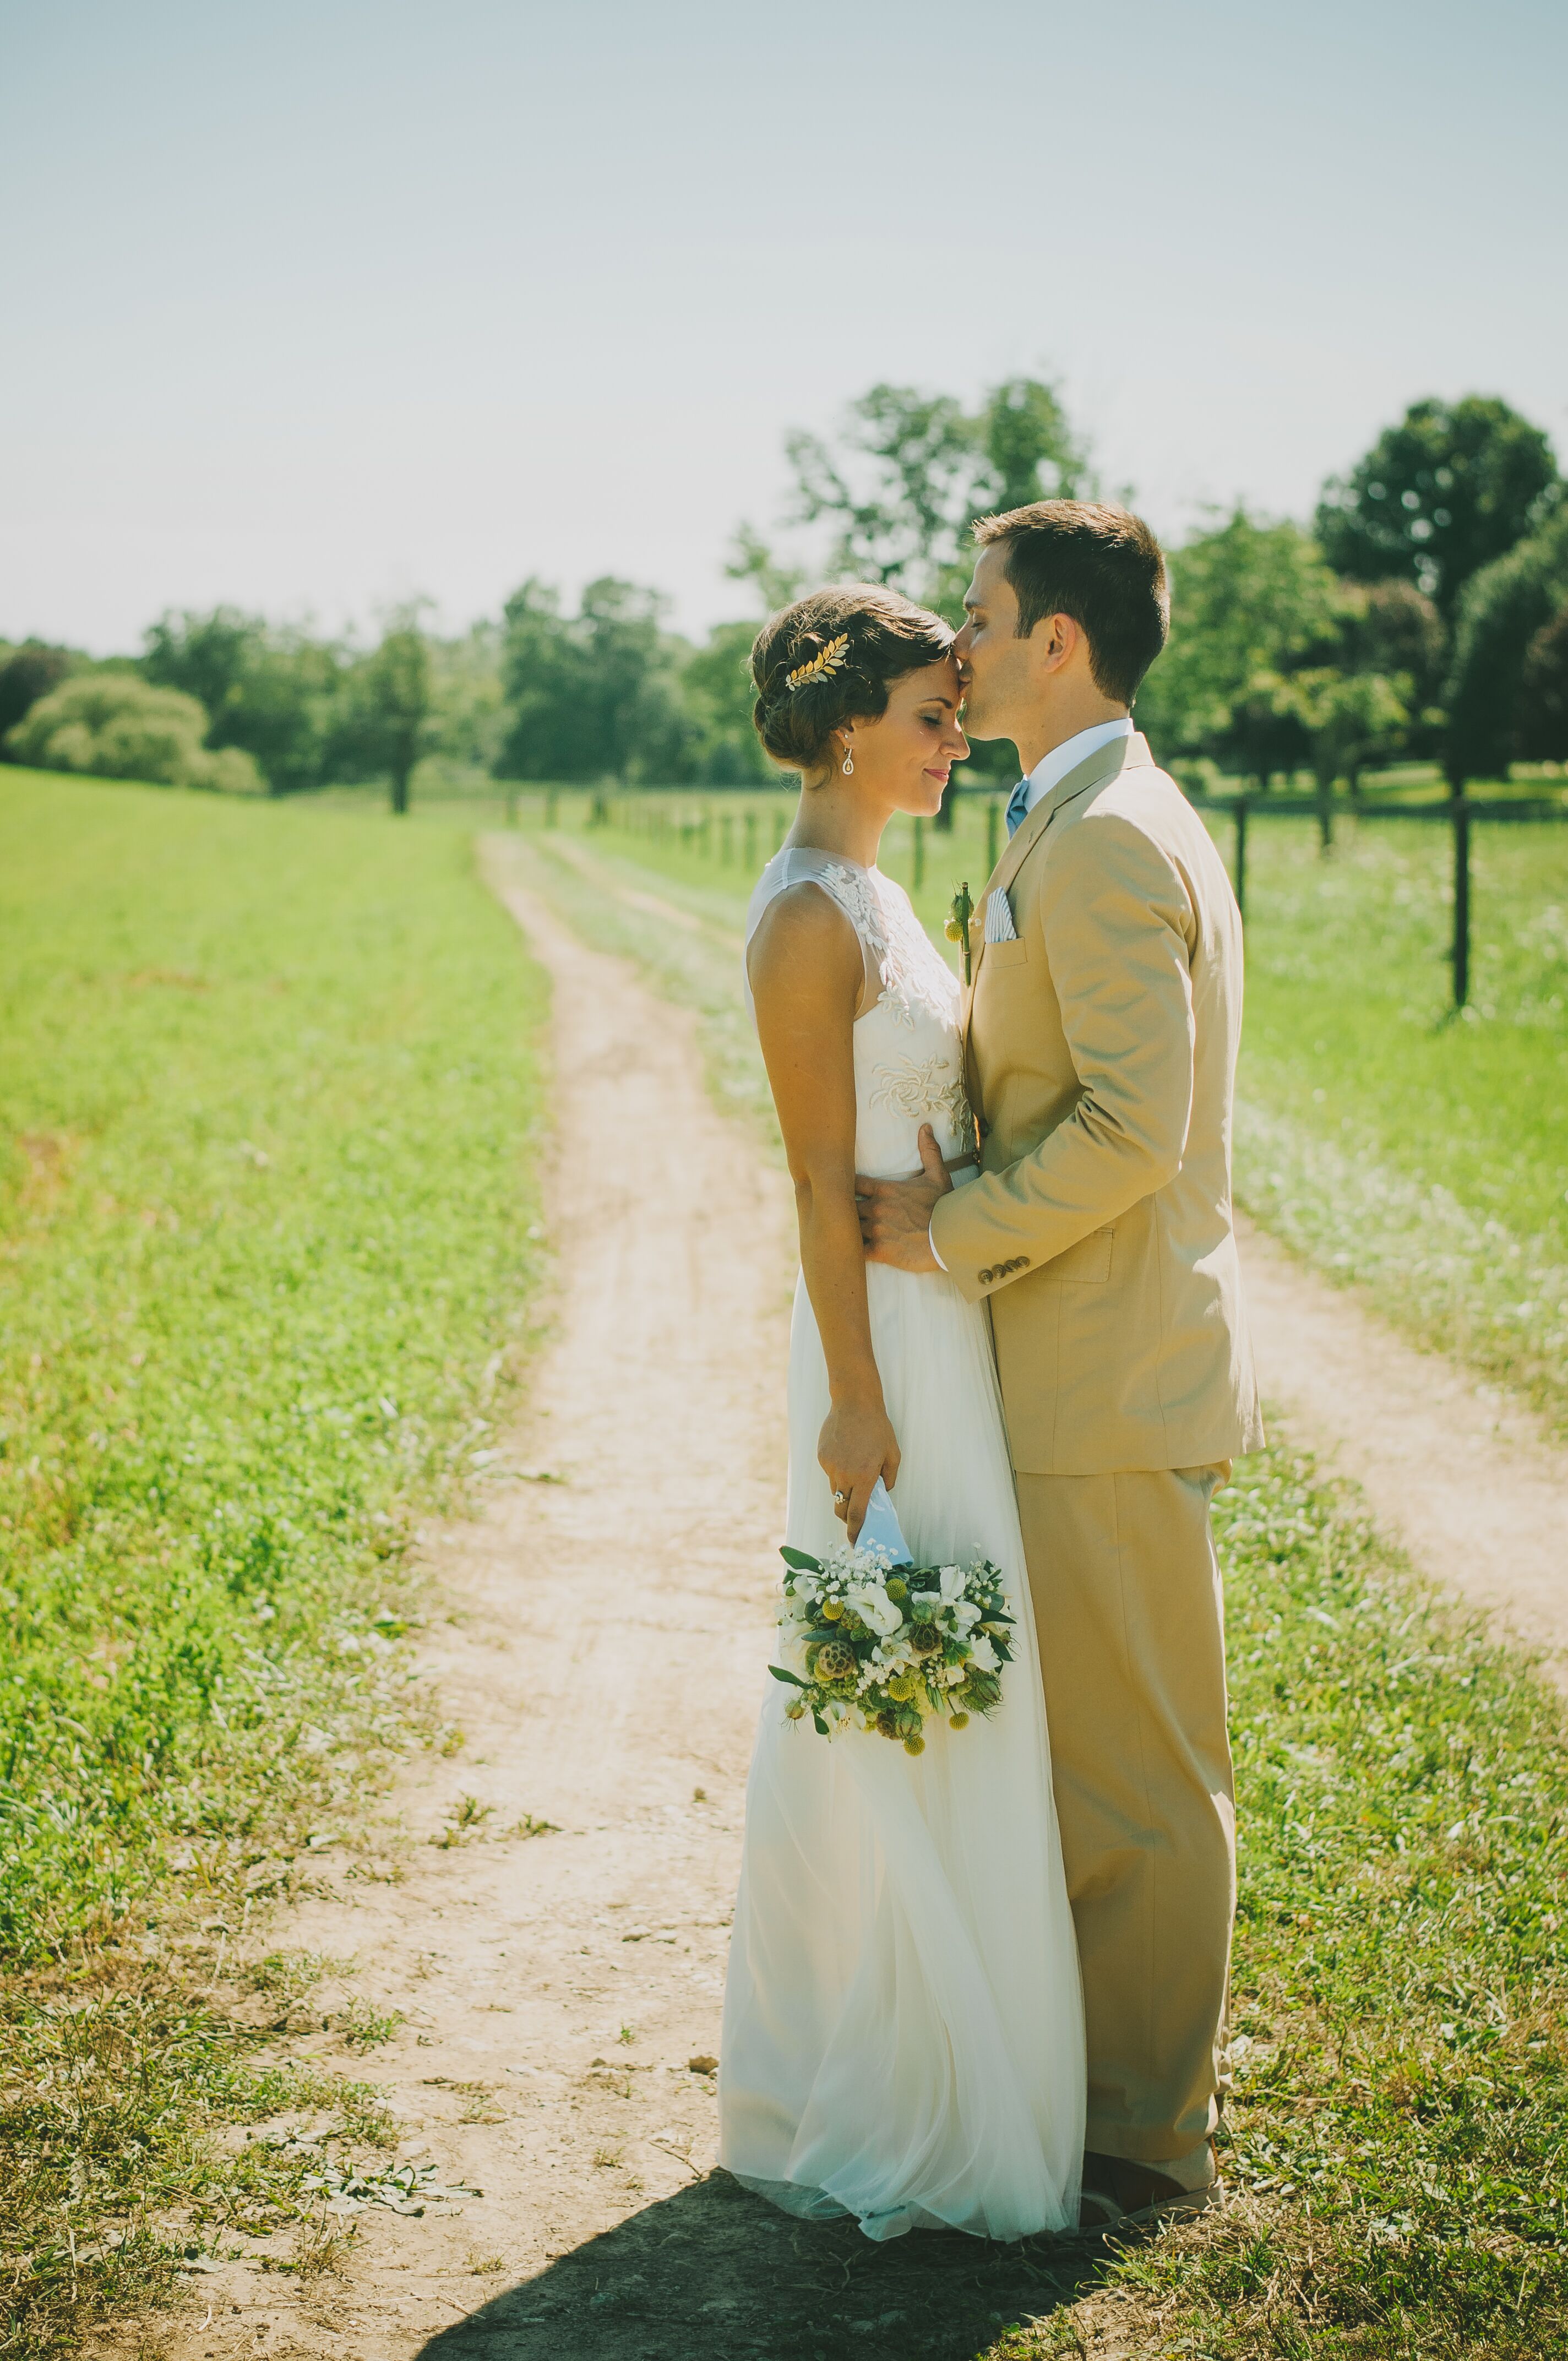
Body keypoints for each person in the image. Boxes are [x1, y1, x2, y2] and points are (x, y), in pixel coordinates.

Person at [857, 502, 1264, 2226]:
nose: (959, 640)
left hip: (1107, 1374)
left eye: (982, 612)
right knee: (1093, 1759)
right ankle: (1098, 2095)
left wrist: (950, 1236)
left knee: (1141, 1783)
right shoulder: (1071, 812)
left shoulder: (1103, 837)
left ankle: (1147, 2147)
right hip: (1073, 1367)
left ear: (1058, 645)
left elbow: (1133, 1130)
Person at [717, 585, 1086, 2242]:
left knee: (957, 1665)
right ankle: (897, 2075)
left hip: (942, 1318)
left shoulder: (874, 889)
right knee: (902, 1677)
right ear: (848, 723)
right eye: (935, 715)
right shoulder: (808, 917)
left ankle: (966, 2045)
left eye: (958, 710)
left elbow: (909, 1107)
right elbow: (810, 1179)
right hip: (882, 1357)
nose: (959, 737)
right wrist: (856, 1403)